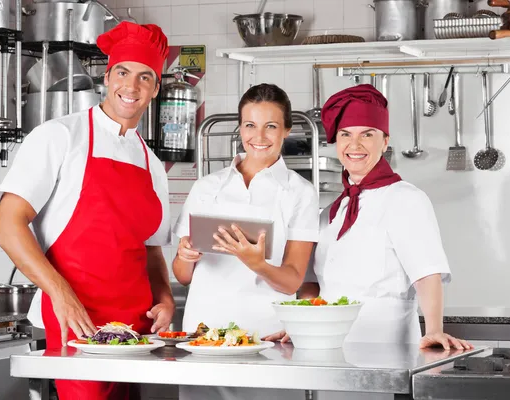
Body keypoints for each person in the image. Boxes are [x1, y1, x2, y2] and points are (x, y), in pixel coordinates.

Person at [0, 22, 174, 400]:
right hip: (77, 320)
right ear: (107, 77)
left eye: (145, 77)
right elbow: (7, 225)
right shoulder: (59, 136)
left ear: (156, 89)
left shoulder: (152, 162)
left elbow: (152, 249)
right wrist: (58, 291)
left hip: (137, 332)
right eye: (122, 72)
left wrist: (166, 298)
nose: (131, 86)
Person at [267, 84, 472, 351]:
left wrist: (434, 330)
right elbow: (311, 283)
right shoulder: (330, 213)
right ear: (336, 142)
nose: (355, 145)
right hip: (327, 349)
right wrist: (302, 324)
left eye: (367, 134)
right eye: (345, 135)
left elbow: (426, 274)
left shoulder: (407, 199)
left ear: (385, 141)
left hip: (387, 348)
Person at [173, 83, 319, 400]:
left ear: (287, 130)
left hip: (266, 338)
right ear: (240, 128)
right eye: (250, 125)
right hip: (204, 337)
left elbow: (292, 278)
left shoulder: (299, 193)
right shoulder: (206, 187)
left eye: (271, 126)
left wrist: (258, 264)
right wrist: (185, 256)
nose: (259, 137)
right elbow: (183, 276)